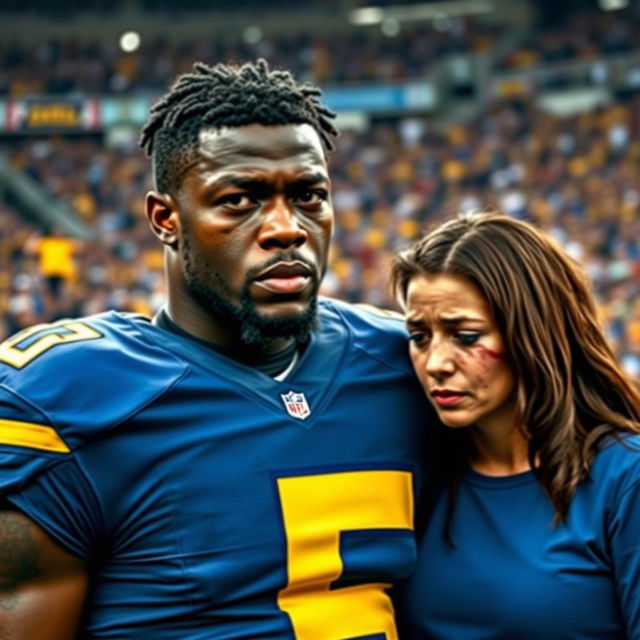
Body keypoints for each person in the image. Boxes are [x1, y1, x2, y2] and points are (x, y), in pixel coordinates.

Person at [0, 59, 432, 639]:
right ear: (165, 219)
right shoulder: (65, 399)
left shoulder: (407, 362)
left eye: (309, 196)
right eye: (239, 200)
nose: (287, 227)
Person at [391, 210, 640, 639]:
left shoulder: (625, 478)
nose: (435, 364)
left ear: (534, 332)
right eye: (419, 336)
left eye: (466, 336)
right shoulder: (414, 471)